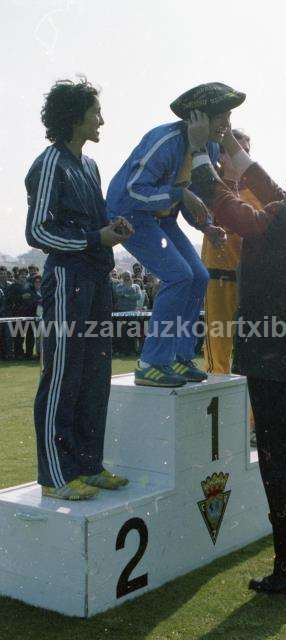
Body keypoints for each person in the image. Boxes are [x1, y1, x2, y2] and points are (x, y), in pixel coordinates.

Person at [189, 113, 286, 594]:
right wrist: (230, 140)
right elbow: (265, 182)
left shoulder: (281, 219)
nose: (285, 181)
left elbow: (232, 207)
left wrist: (200, 153)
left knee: (282, 466)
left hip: (275, 358)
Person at [25, 78, 133, 501]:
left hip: (96, 279)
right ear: (75, 117)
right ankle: (54, 476)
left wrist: (113, 231)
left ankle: (88, 465)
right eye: (95, 112)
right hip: (67, 281)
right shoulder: (50, 162)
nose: (102, 119)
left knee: (94, 375)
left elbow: (93, 228)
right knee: (62, 377)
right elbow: (37, 231)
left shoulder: (89, 166)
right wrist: (94, 239)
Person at [106, 82, 245, 387]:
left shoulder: (206, 146)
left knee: (199, 276)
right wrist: (180, 195)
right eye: (221, 116)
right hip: (130, 214)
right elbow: (134, 191)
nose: (227, 125)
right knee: (179, 276)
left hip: (162, 217)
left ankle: (179, 357)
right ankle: (151, 363)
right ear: (198, 116)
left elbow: (193, 196)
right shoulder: (164, 141)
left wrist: (205, 225)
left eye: (229, 116)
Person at [202, 129, 251, 374]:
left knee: (252, 350)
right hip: (218, 277)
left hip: (249, 282)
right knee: (218, 350)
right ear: (221, 155)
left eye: (247, 152)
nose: (244, 157)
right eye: (237, 151)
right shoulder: (211, 186)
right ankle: (217, 404)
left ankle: (254, 413)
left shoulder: (255, 191)